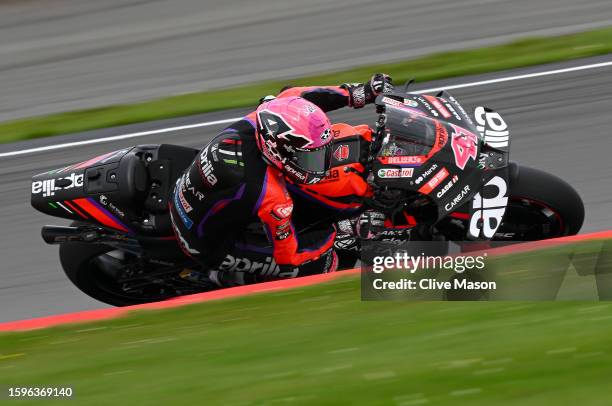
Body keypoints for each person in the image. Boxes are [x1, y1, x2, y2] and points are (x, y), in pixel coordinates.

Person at [169, 74, 393, 279]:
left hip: (193, 192)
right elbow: (289, 256)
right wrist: (346, 228)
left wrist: (359, 93)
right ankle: (223, 279)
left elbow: (298, 95)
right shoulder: (271, 196)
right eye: (310, 158)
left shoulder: (263, 116)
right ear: (278, 150)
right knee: (324, 261)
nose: (321, 165)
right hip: (204, 243)